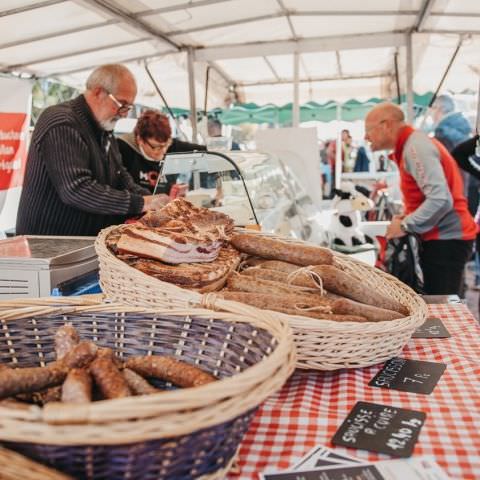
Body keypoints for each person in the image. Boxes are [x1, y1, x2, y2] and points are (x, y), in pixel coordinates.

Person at [16, 64, 168, 236]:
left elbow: (120, 176)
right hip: (48, 245)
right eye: (122, 104)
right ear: (98, 92)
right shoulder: (62, 122)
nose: (125, 114)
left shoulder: (104, 129)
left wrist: (153, 200)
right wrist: (140, 203)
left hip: (81, 244)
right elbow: (76, 189)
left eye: (129, 107)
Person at [365, 103, 476, 295]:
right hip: (442, 238)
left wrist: (405, 225)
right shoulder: (411, 145)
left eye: (368, 130)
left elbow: (441, 199)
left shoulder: (415, 147)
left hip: (446, 239)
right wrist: (405, 215)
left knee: (442, 308)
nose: (366, 137)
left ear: (386, 125)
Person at [118, 109, 206, 194]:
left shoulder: (172, 145)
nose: (163, 151)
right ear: (140, 140)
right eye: (156, 147)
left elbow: (203, 151)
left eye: (166, 145)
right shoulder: (122, 149)